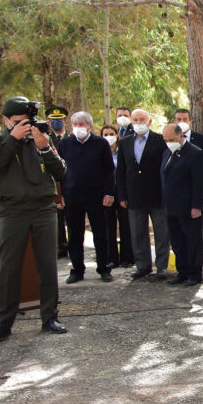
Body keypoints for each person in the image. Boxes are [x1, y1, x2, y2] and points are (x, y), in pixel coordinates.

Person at [0, 96, 68, 339]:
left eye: (27, 121)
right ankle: (3, 323)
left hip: (44, 209)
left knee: (47, 265)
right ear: (6, 120)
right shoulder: (2, 140)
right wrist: (12, 139)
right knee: (8, 267)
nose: (25, 126)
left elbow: (60, 171)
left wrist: (45, 147)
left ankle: (50, 317)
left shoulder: (40, 137)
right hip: (13, 210)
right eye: (18, 122)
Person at [58, 111, 115, 284]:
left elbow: (109, 170)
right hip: (72, 195)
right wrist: (59, 195)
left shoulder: (101, 143)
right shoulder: (65, 144)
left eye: (81, 124)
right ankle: (77, 270)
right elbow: (58, 171)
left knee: (100, 233)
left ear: (89, 126)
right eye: (75, 124)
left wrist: (109, 192)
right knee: (74, 234)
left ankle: (104, 268)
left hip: (96, 195)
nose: (78, 128)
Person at [116, 108, 170, 279]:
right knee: (138, 232)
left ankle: (161, 267)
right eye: (135, 120)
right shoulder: (125, 142)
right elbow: (121, 171)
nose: (138, 123)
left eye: (142, 120)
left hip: (157, 195)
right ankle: (143, 266)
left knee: (161, 233)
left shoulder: (160, 140)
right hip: (134, 195)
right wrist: (122, 195)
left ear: (149, 122)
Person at [160, 123, 203, 286]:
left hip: (188, 207)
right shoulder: (167, 152)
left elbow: (200, 182)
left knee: (192, 241)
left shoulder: (195, 153)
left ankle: (194, 274)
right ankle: (182, 271)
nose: (168, 142)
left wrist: (196, 206)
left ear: (181, 136)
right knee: (177, 242)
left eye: (171, 139)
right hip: (170, 206)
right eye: (166, 140)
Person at [174, 108, 203, 254]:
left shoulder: (201, 139)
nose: (181, 122)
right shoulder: (171, 139)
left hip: (198, 187)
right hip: (179, 190)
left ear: (191, 121)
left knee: (199, 220)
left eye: (184, 119)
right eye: (178, 119)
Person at [99, 125, 134, 269]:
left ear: (117, 135)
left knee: (125, 224)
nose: (109, 137)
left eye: (111, 134)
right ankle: (112, 258)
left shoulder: (122, 150)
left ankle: (127, 257)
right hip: (106, 192)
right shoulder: (100, 151)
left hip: (122, 191)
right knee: (109, 225)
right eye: (105, 134)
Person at [47, 105, 70, 258]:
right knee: (58, 218)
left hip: (72, 182)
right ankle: (60, 246)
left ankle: (74, 245)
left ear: (65, 121)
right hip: (55, 183)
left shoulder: (72, 137)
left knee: (74, 218)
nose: (57, 123)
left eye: (60, 120)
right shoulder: (45, 139)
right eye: (53, 120)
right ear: (49, 122)